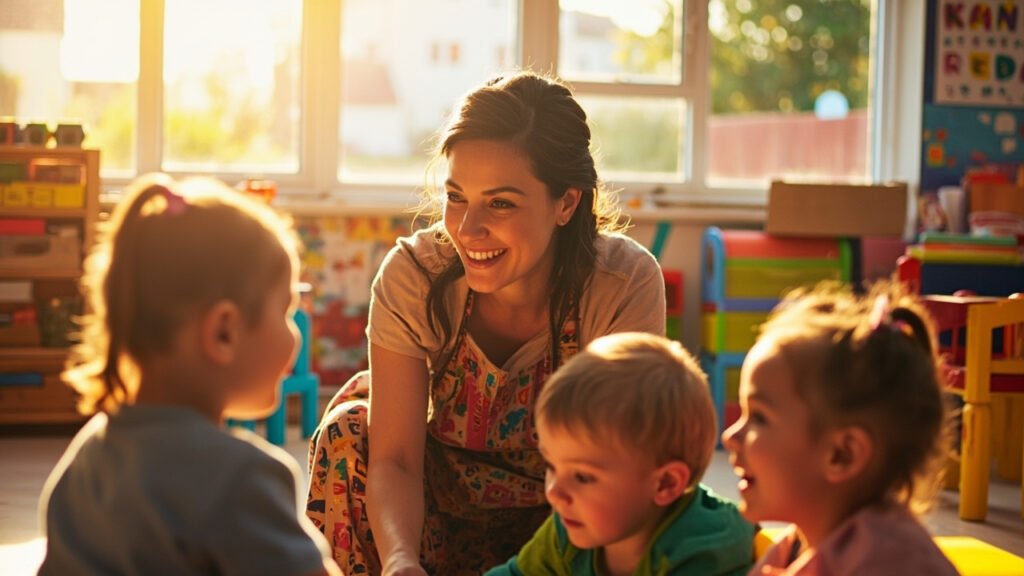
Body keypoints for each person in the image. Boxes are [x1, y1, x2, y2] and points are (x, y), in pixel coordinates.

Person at [306, 70, 667, 575]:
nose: (468, 229)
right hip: (433, 514)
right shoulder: (415, 274)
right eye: (456, 197)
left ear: (566, 202)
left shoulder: (622, 283)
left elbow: (620, 468)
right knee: (348, 429)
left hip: (563, 526)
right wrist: (401, 562)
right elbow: (397, 459)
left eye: (500, 203)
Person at [37, 173, 341, 576]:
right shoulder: (241, 478)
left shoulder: (86, 459)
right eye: (286, 311)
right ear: (224, 332)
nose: (294, 334)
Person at [721, 281, 958, 575]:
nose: (729, 436)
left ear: (841, 455)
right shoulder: (796, 545)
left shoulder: (887, 563)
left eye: (759, 417)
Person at [485, 332, 757, 576]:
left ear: (665, 483)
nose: (555, 492)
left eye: (582, 477)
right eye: (552, 466)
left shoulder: (700, 554)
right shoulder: (569, 528)